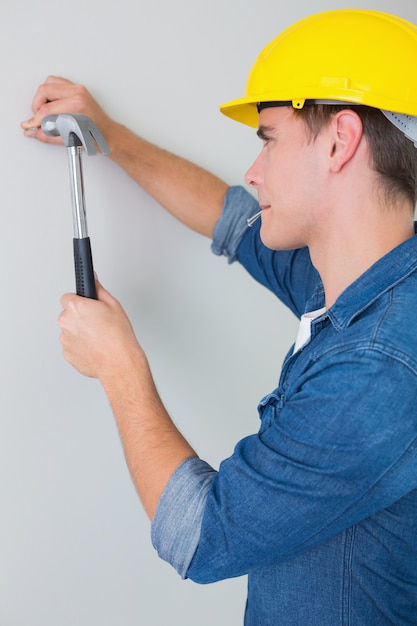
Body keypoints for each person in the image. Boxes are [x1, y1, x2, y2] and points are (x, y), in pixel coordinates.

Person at [22, 9, 417, 625]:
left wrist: (120, 367)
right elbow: (229, 217)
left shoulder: (377, 367)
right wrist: (112, 137)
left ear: (339, 141)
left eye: (268, 139)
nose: (253, 171)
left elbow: (202, 537)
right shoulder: (360, 278)